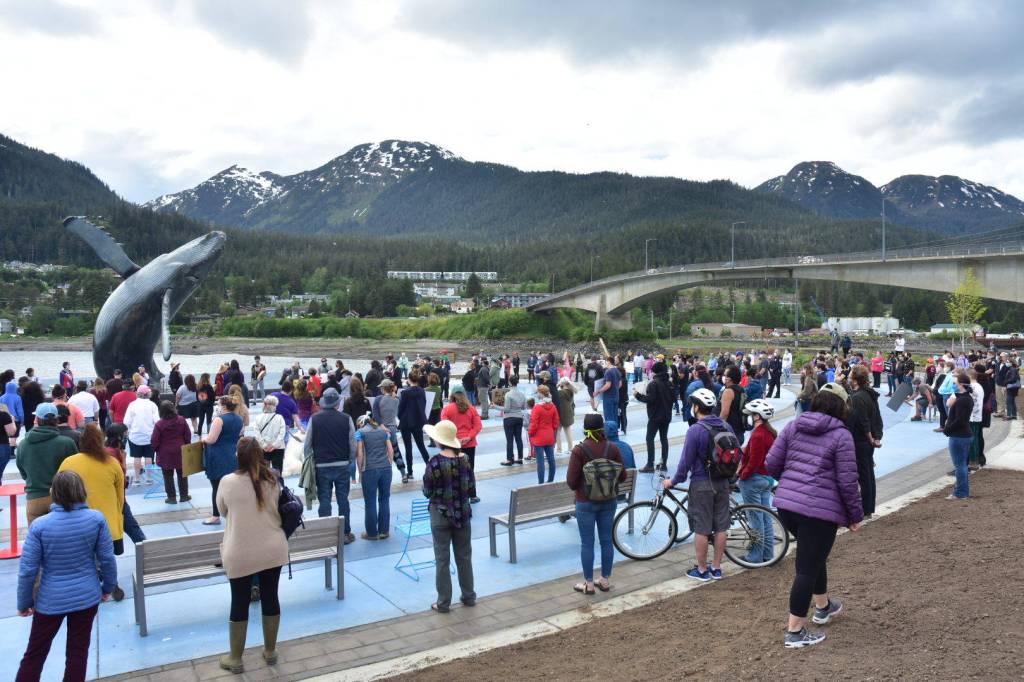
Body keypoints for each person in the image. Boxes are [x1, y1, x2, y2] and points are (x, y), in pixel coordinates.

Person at [765, 383, 863, 649]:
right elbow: (847, 481)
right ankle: (794, 631)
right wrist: (855, 514)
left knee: (814, 555)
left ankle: (823, 606)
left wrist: (791, 485)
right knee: (806, 568)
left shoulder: (793, 425)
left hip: (787, 506)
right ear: (842, 407)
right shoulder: (841, 435)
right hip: (819, 511)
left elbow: (771, 463)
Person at [16, 470, 116, 682]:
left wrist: (24, 602)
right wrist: (108, 587)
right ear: (81, 491)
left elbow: (28, 571)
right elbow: (107, 559)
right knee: (78, 653)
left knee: (35, 653)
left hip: (50, 600)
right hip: (87, 596)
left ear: (55, 493)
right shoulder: (96, 519)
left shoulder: (40, 526)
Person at [215, 438, 289, 673]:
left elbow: (222, 510)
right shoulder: (272, 479)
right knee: (271, 596)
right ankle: (270, 651)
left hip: (240, 552)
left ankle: (235, 658)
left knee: (239, 601)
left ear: (238, 457)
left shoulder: (228, 482)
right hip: (273, 548)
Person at [663, 387, 734, 582]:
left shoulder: (695, 430)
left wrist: (672, 481)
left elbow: (685, 463)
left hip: (702, 484)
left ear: (696, 407)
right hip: (723, 483)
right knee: (721, 526)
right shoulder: (726, 426)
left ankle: (702, 570)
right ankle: (717, 568)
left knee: (702, 528)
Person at [57, 424, 126, 599]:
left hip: (77, 520)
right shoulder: (112, 463)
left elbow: (59, 491)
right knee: (107, 557)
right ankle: (111, 584)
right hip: (107, 521)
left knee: (84, 557)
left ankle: (91, 583)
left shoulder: (69, 462)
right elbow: (120, 497)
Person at [567, 413, 626, 595]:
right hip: (608, 501)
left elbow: (571, 481)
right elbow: (622, 476)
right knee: (606, 540)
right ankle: (605, 580)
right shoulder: (612, 448)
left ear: (586, 429)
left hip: (585, 502)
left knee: (587, 543)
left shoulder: (579, 450)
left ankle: (589, 584)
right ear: (602, 428)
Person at [421, 419, 476, 613]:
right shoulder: (464, 459)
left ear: (438, 441)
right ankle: (469, 596)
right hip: (463, 513)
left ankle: (443, 602)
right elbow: (471, 488)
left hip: (440, 515)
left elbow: (427, 492)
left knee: (442, 559)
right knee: (464, 556)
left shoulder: (434, 462)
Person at [304, 388, 357, 543]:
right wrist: (349, 460)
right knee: (343, 500)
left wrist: (310, 461)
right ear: (337, 403)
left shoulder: (315, 419)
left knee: (325, 500)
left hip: (321, 466)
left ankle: (326, 534)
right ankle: (345, 533)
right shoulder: (346, 419)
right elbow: (352, 443)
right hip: (342, 465)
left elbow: (307, 445)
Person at [17, 403, 78, 525]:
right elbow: (75, 472)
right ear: (56, 420)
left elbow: (22, 471)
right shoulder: (67, 443)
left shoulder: (23, 444)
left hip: (35, 497)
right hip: (62, 498)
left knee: (37, 539)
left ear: (36, 420)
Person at [737, 399, 777, 564]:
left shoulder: (758, 435)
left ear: (757, 416)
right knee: (765, 518)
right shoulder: (770, 433)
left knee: (755, 519)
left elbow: (753, 461)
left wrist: (743, 475)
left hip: (754, 480)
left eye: (752, 414)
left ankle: (754, 556)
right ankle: (767, 553)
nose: (749, 417)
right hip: (767, 479)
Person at [201, 396, 244, 526]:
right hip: (232, 454)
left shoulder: (219, 420)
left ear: (224, 406)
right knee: (232, 486)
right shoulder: (239, 418)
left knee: (216, 486)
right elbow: (240, 435)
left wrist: (204, 439)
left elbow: (212, 439)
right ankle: (234, 513)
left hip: (217, 455)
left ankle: (215, 516)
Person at [846, 366, 883, 519]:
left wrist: (871, 439)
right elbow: (877, 419)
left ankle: (866, 509)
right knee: (868, 474)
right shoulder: (869, 394)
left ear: (855, 380)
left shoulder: (858, 398)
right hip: (867, 442)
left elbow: (864, 422)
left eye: (850, 376)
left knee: (864, 476)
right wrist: (877, 436)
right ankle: (868, 508)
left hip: (860, 441)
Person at [440, 385, 483, 503]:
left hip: (453, 444)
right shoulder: (472, 409)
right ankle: (472, 495)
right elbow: (478, 426)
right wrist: (469, 436)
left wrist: (455, 438)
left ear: (451, 395)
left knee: (454, 470)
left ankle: (457, 495)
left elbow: (445, 427)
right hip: (470, 444)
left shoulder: (447, 409)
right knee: (470, 469)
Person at [355, 414, 394, 540]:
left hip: (369, 469)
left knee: (370, 501)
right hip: (386, 468)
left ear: (361, 423)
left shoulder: (360, 433)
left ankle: (371, 533)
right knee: (384, 499)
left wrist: (360, 470)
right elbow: (390, 450)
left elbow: (360, 453)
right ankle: (384, 531)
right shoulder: (384, 432)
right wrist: (389, 463)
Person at [635, 360, 674, 473]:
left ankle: (650, 464)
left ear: (654, 372)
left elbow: (650, 399)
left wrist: (638, 395)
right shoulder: (670, 383)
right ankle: (664, 464)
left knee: (650, 438)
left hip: (655, 415)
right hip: (667, 415)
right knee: (664, 438)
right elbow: (673, 399)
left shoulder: (653, 384)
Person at [150, 401, 192, 504]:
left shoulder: (159, 424)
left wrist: (157, 449)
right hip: (180, 450)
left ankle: (171, 497)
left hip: (165, 453)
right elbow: (188, 435)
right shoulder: (181, 420)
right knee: (182, 474)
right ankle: (184, 495)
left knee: (167, 476)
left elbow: (154, 440)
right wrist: (186, 445)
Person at [944, 373, 974, 500]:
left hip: (959, 436)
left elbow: (960, 420)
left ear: (961, 384)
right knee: (962, 465)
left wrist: (947, 430)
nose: (954, 385)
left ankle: (961, 493)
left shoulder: (963, 400)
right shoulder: (965, 398)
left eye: (955, 384)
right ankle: (962, 491)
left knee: (960, 466)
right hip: (963, 435)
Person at [398, 370, 429, 480]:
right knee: (421, 446)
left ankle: (410, 472)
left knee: (408, 448)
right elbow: (424, 404)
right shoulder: (422, 391)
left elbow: (400, 408)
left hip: (406, 421)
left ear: (409, 380)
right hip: (418, 420)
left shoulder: (405, 393)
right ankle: (430, 467)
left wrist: (400, 417)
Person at [528, 384, 560, 484]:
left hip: (538, 437)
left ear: (541, 394)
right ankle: (550, 480)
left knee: (540, 462)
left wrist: (530, 433)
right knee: (551, 460)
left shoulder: (537, 408)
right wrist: (551, 430)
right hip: (549, 436)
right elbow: (556, 422)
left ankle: (541, 482)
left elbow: (534, 423)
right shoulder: (553, 406)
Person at [253, 395, 287, 472]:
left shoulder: (258, 418)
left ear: (264, 404)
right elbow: (282, 434)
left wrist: (264, 445)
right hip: (278, 448)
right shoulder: (280, 418)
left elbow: (257, 434)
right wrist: (274, 445)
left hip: (262, 448)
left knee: (263, 473)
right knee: (278, 472)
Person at [499, 375, 526, 466]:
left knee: (509, 440)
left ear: (510, 383)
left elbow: (506, 409)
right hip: (519, 417)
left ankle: (509, 459)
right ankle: (520, 458)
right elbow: (523, 407)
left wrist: (495, 406)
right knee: (519, 438)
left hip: (509, 418)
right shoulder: (522, 394)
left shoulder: (508, 394)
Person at [555, 377, 576, 455]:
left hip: (561, 414)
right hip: (568, 414)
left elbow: (553, 394)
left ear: (562, 384)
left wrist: (556, 386)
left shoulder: (561, 393)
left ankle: (559, 449)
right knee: (568, 432)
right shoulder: (571, 391)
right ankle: (570, 448)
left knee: (557, 432)